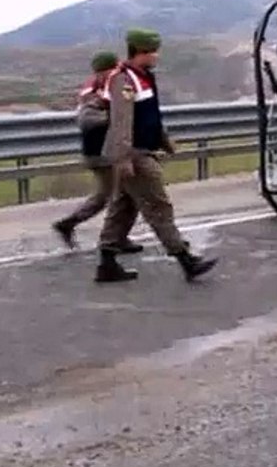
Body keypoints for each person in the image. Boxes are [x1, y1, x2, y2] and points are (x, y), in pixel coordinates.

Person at [94, 28, 218, 283]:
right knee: (158, 206)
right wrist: (124, 158)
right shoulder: (124, 80)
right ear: (140, 52)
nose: (156, 56)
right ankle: (185, 259)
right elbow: (121, 122)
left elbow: (149, 115)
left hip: (141, 149)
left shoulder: (144, 77)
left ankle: (106, 264)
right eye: (153, 51)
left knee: (123, 208)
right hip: (134, 154)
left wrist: (165, 141)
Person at [51, 51, 144, 254]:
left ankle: (79, 227)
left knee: (111, 195)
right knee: (121, 195)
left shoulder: (100, 86)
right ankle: (113, 238)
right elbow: (86, 120)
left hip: (102, 150)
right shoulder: (96, 91)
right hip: (100, 152)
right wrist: (113, 119)